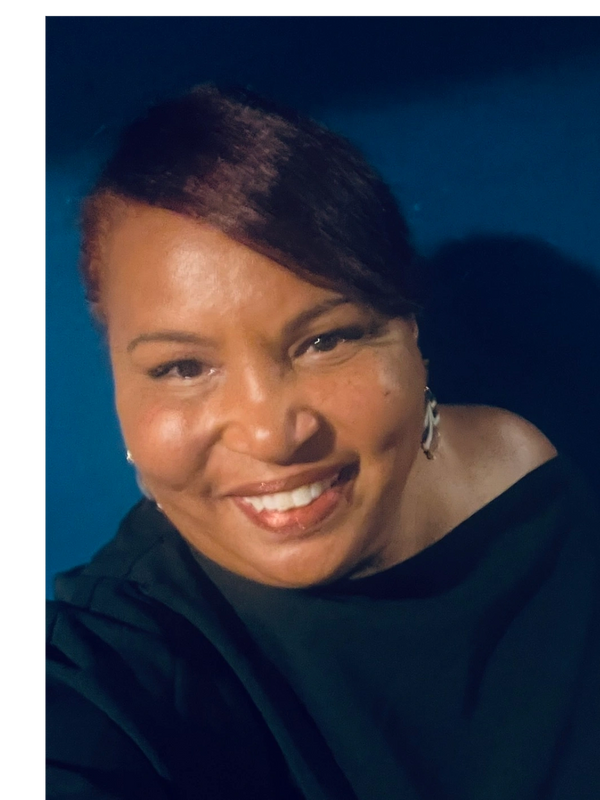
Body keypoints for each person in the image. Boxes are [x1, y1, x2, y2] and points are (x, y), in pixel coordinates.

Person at [44, 85, 599, 800]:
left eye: (325, 341)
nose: (272, 435)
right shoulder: (125, 648)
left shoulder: (536, 484)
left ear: (412, 337)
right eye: (182, 368)